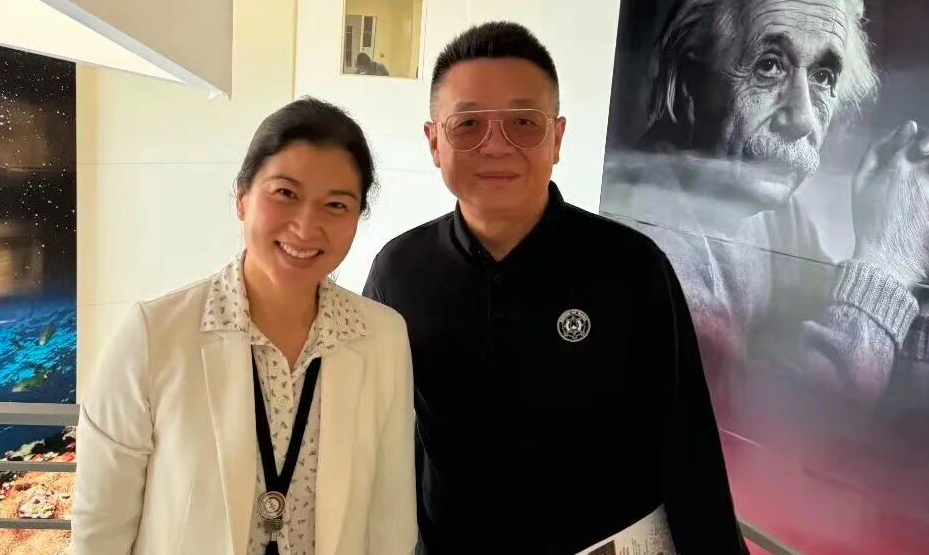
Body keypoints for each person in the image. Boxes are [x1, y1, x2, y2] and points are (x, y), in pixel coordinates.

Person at [363, 21, 747, 554]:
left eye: (523, 122)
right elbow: (376, 437)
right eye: (467, 124)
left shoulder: (631, 268)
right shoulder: (399, 270)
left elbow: (688, 444)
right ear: (434, 142)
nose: (495, 146)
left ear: (558, 138)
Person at [72, 98, 417, 555]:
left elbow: (391, 521)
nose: (306, 226)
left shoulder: (382, 337)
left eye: (336, 204)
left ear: (357, 218)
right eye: (285, 194)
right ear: (241, 197)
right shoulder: (154, 335)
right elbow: (100, 531)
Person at [600, 0, 929, 408]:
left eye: (823, 76)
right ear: (689, 79)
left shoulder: (773, 215)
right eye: (769, 66)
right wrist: (885, 263)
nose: (803, 119)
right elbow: (791, 420)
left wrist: (913, 242)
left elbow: (862, 339)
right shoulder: (645, 247)